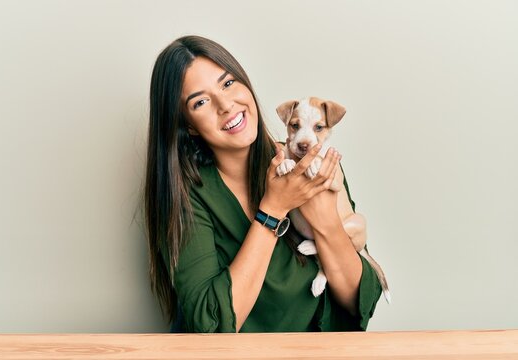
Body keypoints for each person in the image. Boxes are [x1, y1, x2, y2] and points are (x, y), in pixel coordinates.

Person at [144, 35, 382, 333]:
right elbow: (211, 325)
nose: (226, 105)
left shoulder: (312, 164)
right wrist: (273, 210)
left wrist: (324, 222)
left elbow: (359, 301)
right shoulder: (188, 196)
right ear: (188, 124)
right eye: (201, 101)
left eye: (228, 83)